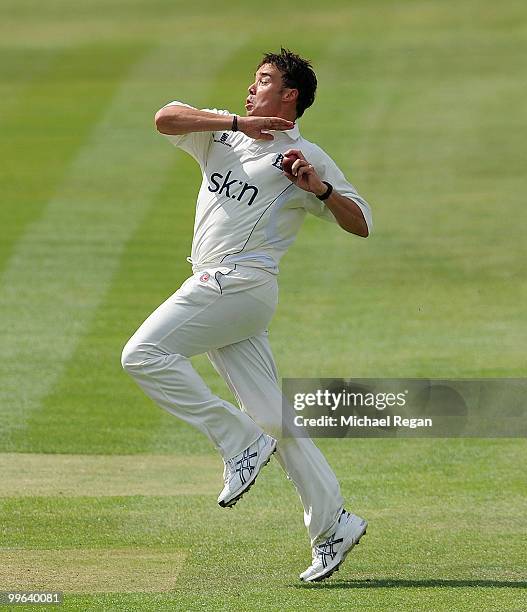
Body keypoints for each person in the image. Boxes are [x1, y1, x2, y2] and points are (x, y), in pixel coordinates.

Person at [121, 47, 373, 582]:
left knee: (142, 354)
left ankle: (238, 443)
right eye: (253, 80)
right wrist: (238, 121)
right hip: (225, 292)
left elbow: (361, 223)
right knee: (274, 418)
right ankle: (335, 525)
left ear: (291, 96)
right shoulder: (222, 132)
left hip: (239, 284)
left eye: (264, 82)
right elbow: (164, 118)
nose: (251, 88)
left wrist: (320, 191)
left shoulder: (304, 155)